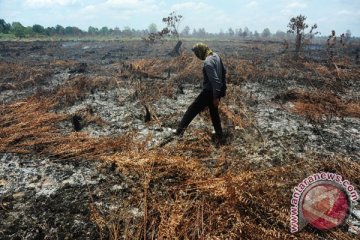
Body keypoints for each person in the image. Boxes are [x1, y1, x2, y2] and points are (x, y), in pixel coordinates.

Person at [176, 43, 226, 141]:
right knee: (214, 113)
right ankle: (219, 136)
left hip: (209, 92)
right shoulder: (216, 56)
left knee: (191, 110)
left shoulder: (208, 62)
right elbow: (223, 74)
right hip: (216, 91)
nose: (197, 56)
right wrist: (220, 93)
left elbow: (215, 81)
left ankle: (179, 132)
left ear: (200, 51)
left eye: (197, 53)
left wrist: (215, 97)